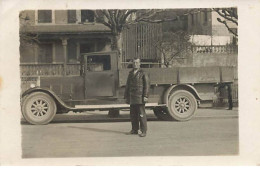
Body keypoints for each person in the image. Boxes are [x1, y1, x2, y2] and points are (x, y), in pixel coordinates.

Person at [124, 58, 150, 137]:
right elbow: (127, 86)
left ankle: (143, 131)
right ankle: (134, 130)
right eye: (134, 62)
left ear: (140, 64)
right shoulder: (130, 73)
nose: (135, 64)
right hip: (132, 97)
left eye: (137, 62)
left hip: (140, 97)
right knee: (133, 115)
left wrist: (145, 96)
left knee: (141, 114)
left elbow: (147, 85)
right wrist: (126, 96)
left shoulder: (143, 73)